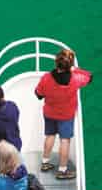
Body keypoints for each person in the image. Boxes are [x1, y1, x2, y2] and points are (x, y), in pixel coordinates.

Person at [34, 48, 91, 180]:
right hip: (66, 116)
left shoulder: (46, 78)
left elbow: (38, 94)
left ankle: (45, 163)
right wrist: (75, 70)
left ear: (56, 63)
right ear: (70, 65)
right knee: (64, 141)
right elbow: (89, 77)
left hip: (49, 113)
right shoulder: (76, 79)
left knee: (50, 136)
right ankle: (62, 171)